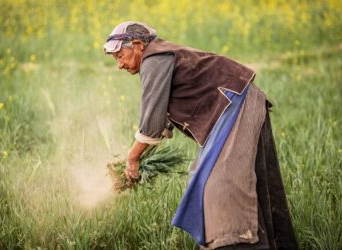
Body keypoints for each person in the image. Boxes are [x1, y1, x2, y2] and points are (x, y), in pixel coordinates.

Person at [103, 21, 298, 250]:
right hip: (236, 104)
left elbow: (152, 123)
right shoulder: (159, 57)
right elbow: (161, 124)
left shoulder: (154, 59)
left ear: (137, 45)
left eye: (120, 56)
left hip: (235, 106)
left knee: (221, 186)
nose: (119, 65)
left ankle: (235, 243)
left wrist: (133, 158)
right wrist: (141, 155)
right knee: (235, 181)